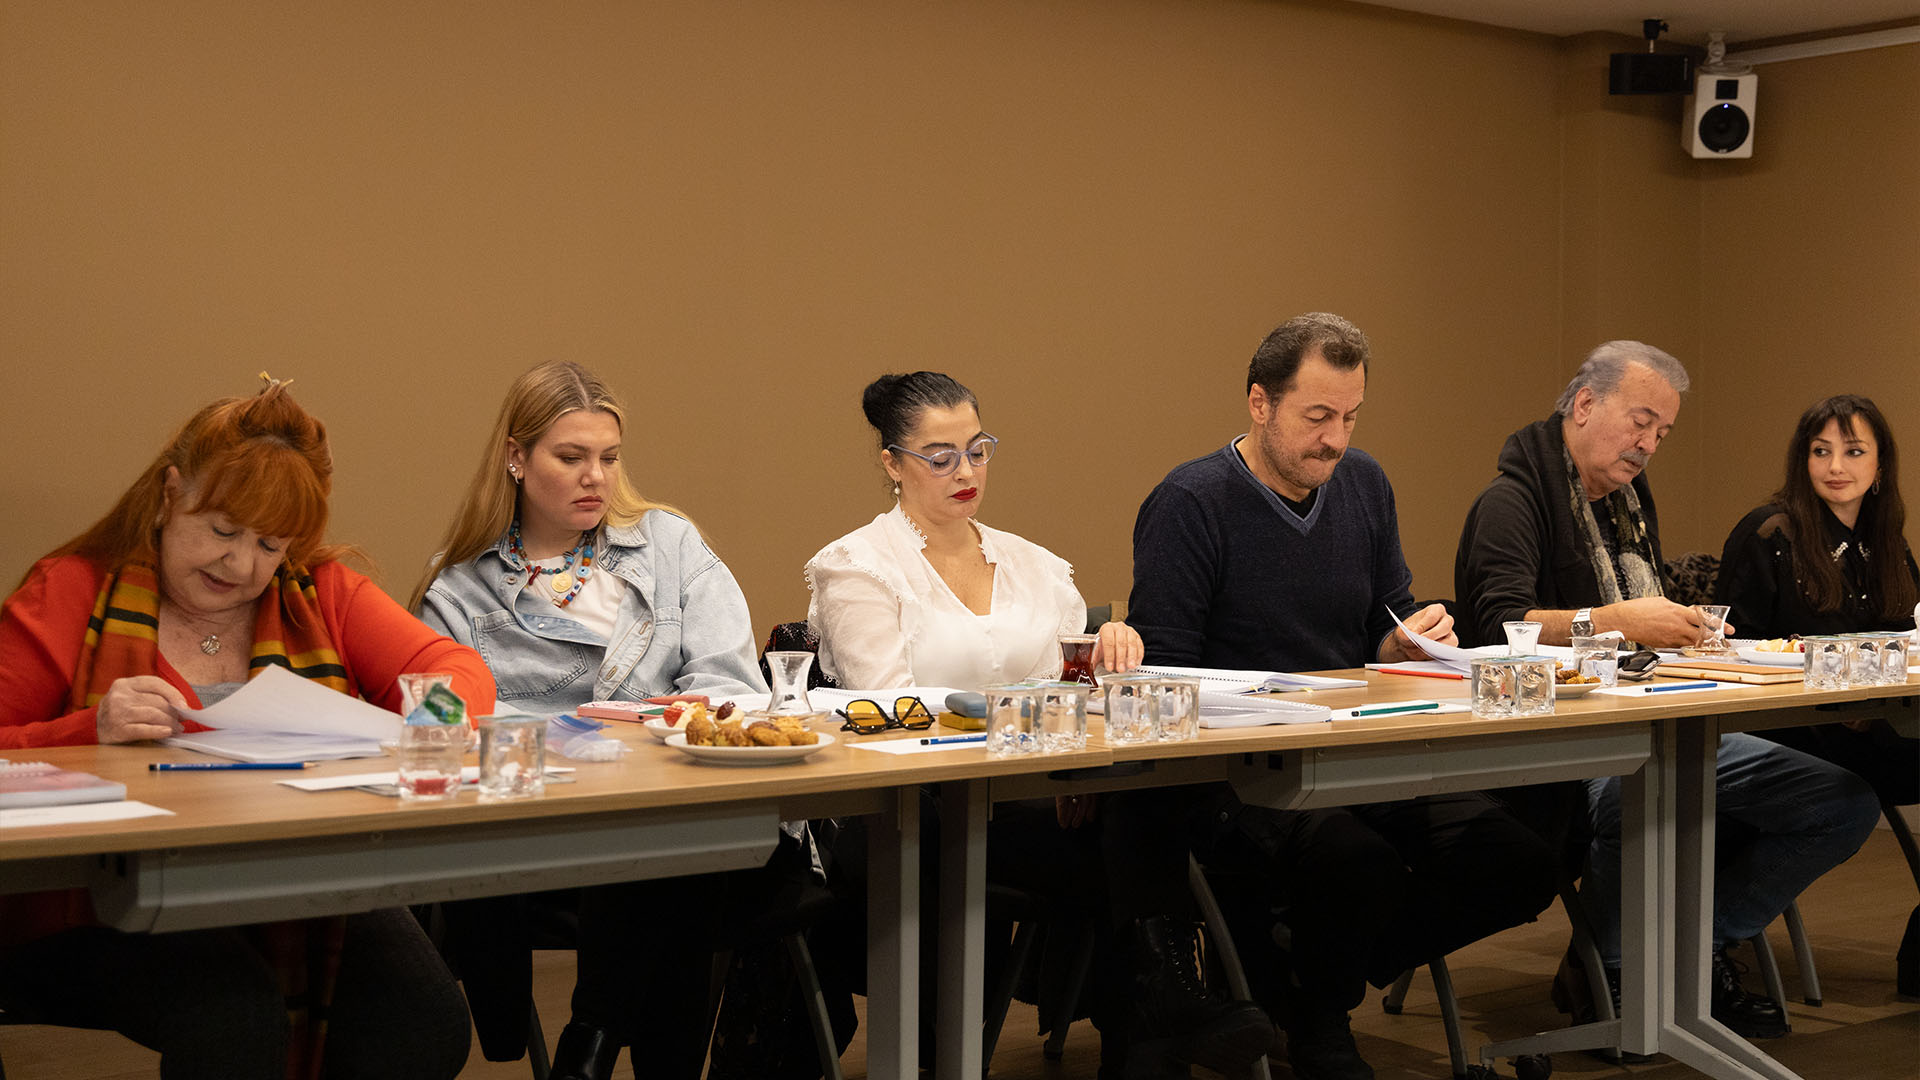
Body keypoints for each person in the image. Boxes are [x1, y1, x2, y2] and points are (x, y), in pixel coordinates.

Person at [0, 377, 483, 1079]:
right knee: (235, 1020)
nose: (240, 563)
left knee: (422, 1024)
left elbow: (455, 669)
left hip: (290, 875)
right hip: (99, 896)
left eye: (269, 544)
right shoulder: (72, 589)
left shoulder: (321, 593)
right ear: (170, 494)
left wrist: (427, 718)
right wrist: (87, 728)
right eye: (222, 531)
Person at [806, 371, 1272, 1080]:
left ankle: (1157, 1012)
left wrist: (1109, 661)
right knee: (1122, 847)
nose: (966, 473)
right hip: (915, 812)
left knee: (1143, 800)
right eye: (941, 458)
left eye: (978, 450)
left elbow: (1077, 691)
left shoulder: (1034, 566)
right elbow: (893, 709)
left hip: (1027, 801)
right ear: (892, 463)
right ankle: (1160, 1009)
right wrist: (1040, 730)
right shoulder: (860, 566)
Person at [1128, 313, 1558, 1080]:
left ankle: (1309, 980)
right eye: (1317, 416)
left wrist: (1403, 644)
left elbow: (1382, 626)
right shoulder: (1191, 501)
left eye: (1351, 417)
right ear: (1260, 403)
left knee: (1517, 859)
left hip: (1362, 750)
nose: (1335, 440)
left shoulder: (1364, 485)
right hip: (1247, 771)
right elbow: (1164, 674)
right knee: (1355, 862)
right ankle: (1322, 1022)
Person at [1455, 342, 1883, 1038]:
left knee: (1842, 803)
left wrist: (1687, 637)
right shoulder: (1511, 503)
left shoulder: (1627, 503)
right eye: (1641, 422)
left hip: (1658, 720)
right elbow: (1500, 627)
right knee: (1642, 790)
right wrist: (1616, 622)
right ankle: (1614, 970)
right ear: (1585, 404)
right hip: (1559, 740)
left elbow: (1644, 636)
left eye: (1663, 432)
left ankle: (1695, 944)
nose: (1650, 445)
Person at [414, 360, 769, 1080]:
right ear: (516, 457)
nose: (595, 478)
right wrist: (582, 736)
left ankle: (592, 1039)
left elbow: (731, 681)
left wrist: (675, 718)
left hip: (674, 800)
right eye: (571, 457)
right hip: (544, 824)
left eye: (609, 458)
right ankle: (606, 1042)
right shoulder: (458, 588)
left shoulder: (669, 545)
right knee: (669, 846)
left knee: (677, 832)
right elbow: (440, 719)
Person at [1716, 394, 1919, 993]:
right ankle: (1703, 936)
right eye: (1821, 451)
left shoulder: (1886, 540)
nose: (1835, 466)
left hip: (1871, 727)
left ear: (1879, 465)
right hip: (1789, 731)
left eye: (1853, 452)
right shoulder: (1769, 532)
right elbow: (1731, 651)